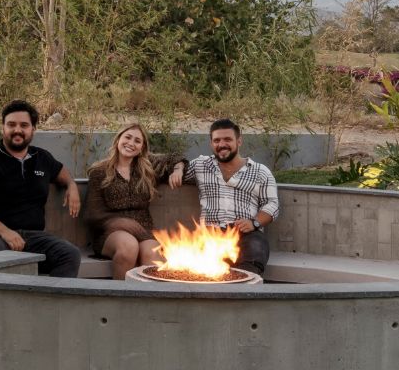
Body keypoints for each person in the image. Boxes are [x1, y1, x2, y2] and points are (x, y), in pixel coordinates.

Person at [0, 100, 82, 277]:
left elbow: (61, 172)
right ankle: (1, 304)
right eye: (11, 125)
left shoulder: (42, 157)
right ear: (3, 128)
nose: (17, 130)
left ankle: (50, 303)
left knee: (69, 254)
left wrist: (71, 185)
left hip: (31, 237)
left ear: (33, 129)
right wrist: (5, 232)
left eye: (24, 125)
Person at [169, 118, 278, 277]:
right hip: (210, 234)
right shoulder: (201, 165)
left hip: (244, 233)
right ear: (211, 143)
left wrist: (254, 222)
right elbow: (174, 162)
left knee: (255, 250)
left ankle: (243, 294)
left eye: (228, 139)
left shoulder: (260, 171)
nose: (222, 144)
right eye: (217, 140)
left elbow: (272, 204)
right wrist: (178, 168)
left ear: (239, 141)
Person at [83, 123, 185, 279]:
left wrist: (178, 169)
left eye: (137, 141)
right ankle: (120, 298)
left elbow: (175, 157)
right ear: (118, 140)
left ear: (142, 148)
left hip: (143, 230)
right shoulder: (100, 172)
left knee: (154, 256)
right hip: (110, 233)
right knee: (128, 247)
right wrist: (121, 222)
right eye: (128, 137)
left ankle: (150, 300)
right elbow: (92, 214)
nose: (131, 143)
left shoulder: (147, 170)